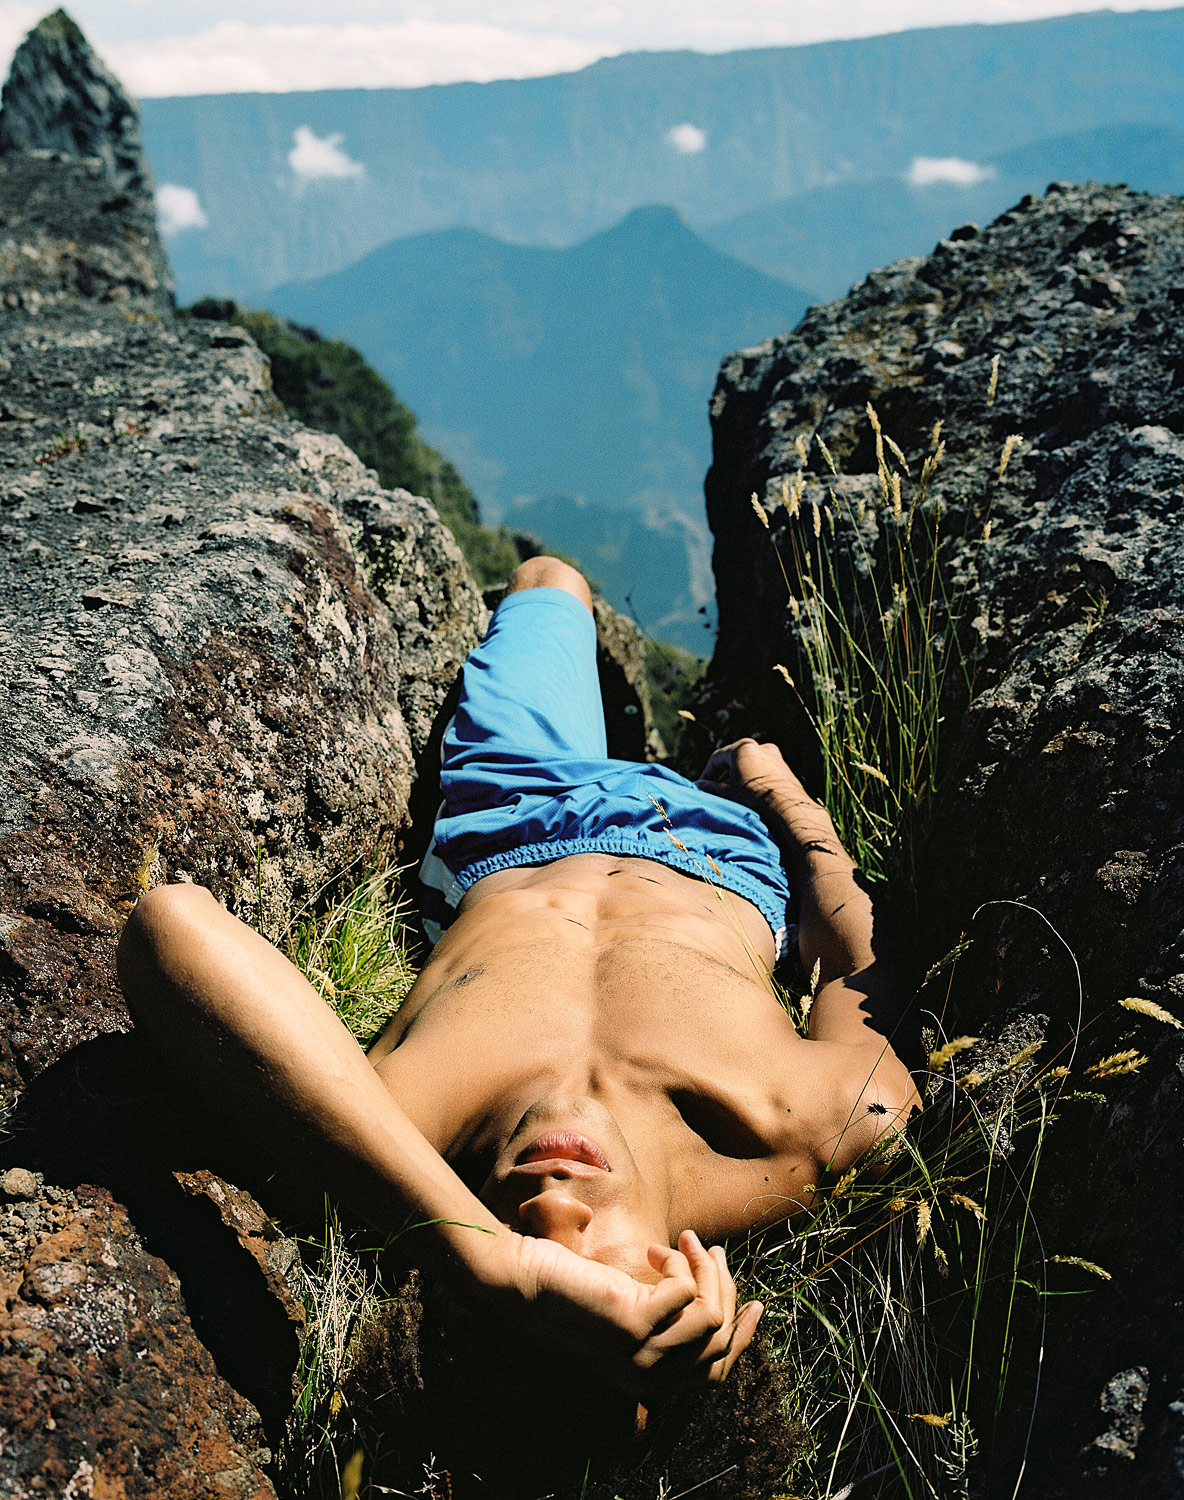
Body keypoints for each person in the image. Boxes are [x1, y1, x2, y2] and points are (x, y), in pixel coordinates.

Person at [118, 556, 919, 1403]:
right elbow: (854, 961)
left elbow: (173, 925)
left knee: (549, 578)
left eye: (529, 1262)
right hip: (714, 843)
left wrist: (479, 1254)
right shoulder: (817, 1134)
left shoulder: (387, 1136)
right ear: (694, 1292)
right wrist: (787, 801)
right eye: (597, 1275)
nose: (549, 1210)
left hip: (511, 809)